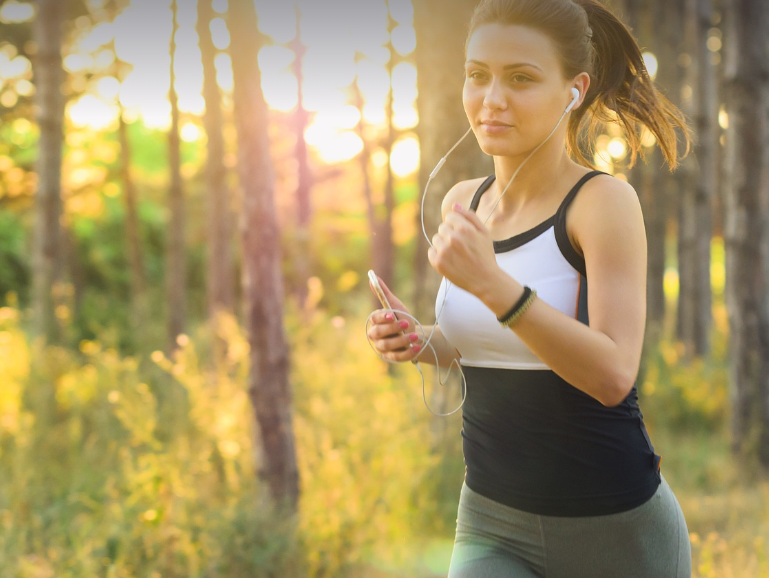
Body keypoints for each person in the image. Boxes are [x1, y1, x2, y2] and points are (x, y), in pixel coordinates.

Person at [366, 0, 694, 576]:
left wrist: (494, 286)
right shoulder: (461, 202)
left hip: (613, 527)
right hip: (491, 519)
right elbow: (487, 343)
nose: (492, 98)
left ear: (574, 89)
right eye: (477, 75)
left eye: (521, 78)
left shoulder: (601, 204)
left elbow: (613, 374)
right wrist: (421, 340)